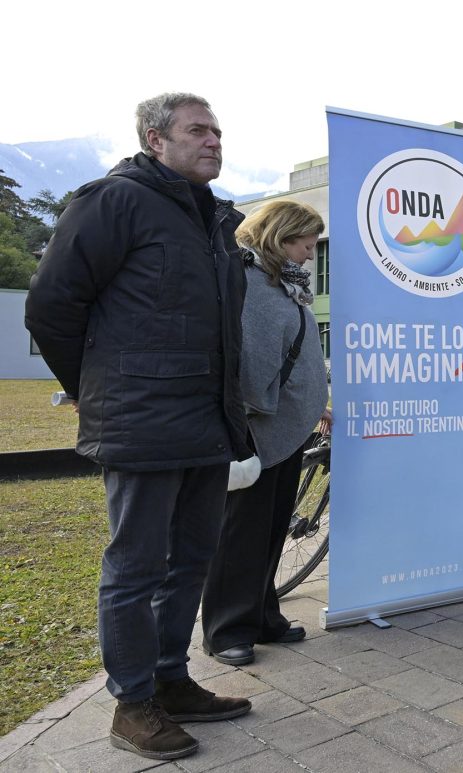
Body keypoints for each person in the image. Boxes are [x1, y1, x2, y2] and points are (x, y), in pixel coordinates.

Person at [25, 93, 252, 760]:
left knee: (191, 559)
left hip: (207, 419)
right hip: (141, 421)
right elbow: (51, 306)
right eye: (198, 130)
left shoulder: (214, 217)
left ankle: (170, 681)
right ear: (156, 139)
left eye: (217, 131)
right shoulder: (113, 201)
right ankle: (132, 704)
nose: (214, 141)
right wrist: (96, 389)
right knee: (136, 567)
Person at [201, 200, 331, 665]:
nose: (311, 255)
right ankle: (226, 630)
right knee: (242, 534)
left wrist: (313, 404)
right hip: (259, 431)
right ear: (279, 237)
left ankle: (260, 615)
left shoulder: (280, 283)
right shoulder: (253, 283)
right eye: (306, 244)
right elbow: (254, 368)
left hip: (284, 428)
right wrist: (263, 413)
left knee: (271, 529)